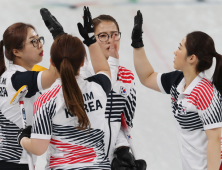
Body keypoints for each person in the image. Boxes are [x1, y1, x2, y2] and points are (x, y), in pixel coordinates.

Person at [17, 7, 113, 170]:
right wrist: (90, 39)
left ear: (52, 63)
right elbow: (103, 70)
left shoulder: (46, 100)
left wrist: (23, 138)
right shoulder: (99, 86)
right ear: (83, 62)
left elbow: (39, 148)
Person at [131, 11, 222, 170]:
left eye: (179, 47)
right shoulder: (177, 81)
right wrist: (137, 43)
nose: (175, 51)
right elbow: (147, 77)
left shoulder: (205, 93)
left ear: (192, 58)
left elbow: (215, 140)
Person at [81, 14, 147, 170]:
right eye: (103, 36)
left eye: (114, 34)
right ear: (92, 39)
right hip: (86, 160)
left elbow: (125, 122)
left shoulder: (127, 77)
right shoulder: (82, 75)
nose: (110, 40)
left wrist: (122, 149)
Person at [0, 21, 59, 169]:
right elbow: (54, 73)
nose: (40, 44)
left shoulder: (9, 76)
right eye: (33, 41)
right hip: (14, 162)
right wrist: (59, 37)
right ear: (16, 51)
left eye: (39, 39)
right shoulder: (18, 79)